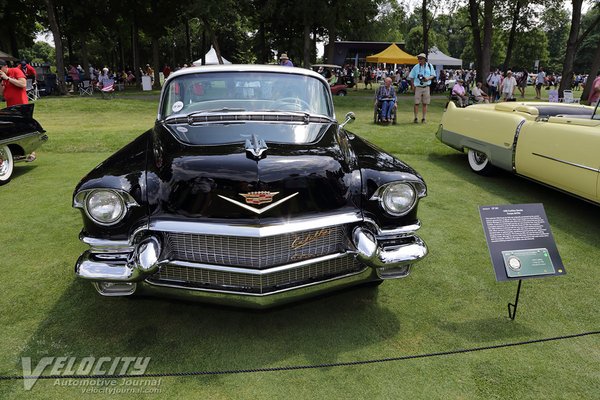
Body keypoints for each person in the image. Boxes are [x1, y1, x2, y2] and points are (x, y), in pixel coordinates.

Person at [408, 53, 435, 123]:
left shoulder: (429, 66)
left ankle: (424, 118)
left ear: (424, 59)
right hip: (418, 87)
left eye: (421, 59)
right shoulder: (416, 67)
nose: (419, 60)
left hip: (426, 86)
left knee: (425, 103)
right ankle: (416, 117)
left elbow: (433, 75)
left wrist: (428, 78)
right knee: (416, 103)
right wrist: (413, 86)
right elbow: (411, 77)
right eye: (418, 58)